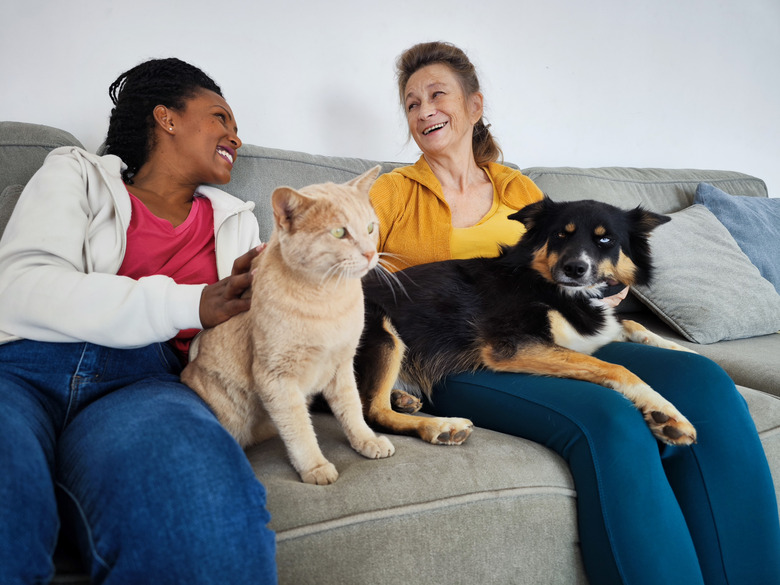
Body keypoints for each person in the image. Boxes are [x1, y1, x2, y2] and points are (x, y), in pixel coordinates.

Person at [370, 41, 780, 585]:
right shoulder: (392, 191)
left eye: (436, 94)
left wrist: (605, 296)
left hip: (560, 330)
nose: (424, 111)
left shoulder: (518, 187)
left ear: (474, 105)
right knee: (611, 419)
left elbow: (577, 265)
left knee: (704, 380)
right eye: (411, 103)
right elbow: (339, 251)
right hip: (461, 351)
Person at [0, 58, 277, 584]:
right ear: (166, 118)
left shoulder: (237, 223)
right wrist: (192, 303)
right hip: (19, 369)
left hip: (145, 387)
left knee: (207, 519)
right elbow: (17, 290)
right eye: (221, 118)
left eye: (237, 129)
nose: (235, 138)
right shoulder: (77, 172)